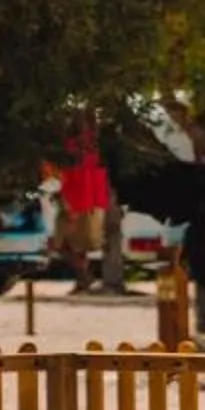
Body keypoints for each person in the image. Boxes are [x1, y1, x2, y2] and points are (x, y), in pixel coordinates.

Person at [57, 119, 122, 294]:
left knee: (78, 244)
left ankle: (84, 278)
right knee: (65, 243)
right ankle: (84, 277)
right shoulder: (75, 145)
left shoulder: (92, 145)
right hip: (77, 197)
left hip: (85, 199)